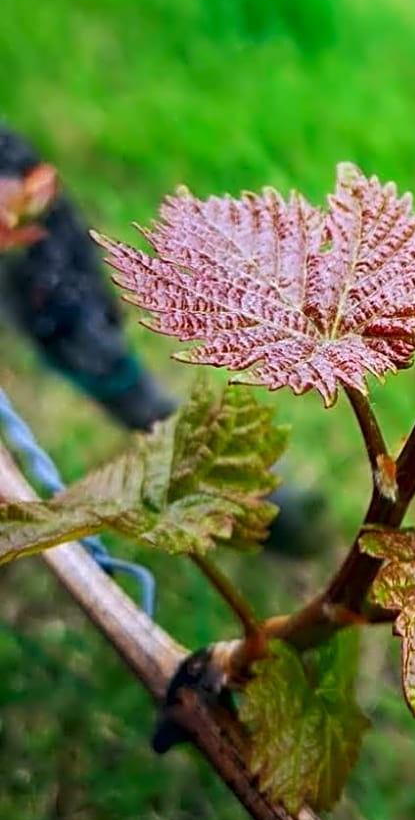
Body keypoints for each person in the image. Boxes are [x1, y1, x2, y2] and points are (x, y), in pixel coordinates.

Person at [0, 126, 327, 556]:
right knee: (153, 414)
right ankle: (273, 508)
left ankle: (275, 508)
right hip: (63, 314)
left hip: (70, 311)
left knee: (152, 412)